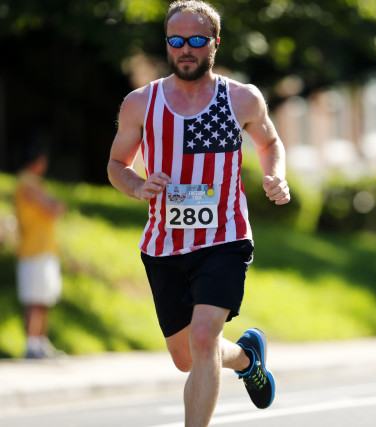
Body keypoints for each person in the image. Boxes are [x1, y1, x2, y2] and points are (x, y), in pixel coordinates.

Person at [107, 1, 290, 425]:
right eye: (176, 40)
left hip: (224, 237)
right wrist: (137, 185)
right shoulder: (141, 102)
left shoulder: (242, 98)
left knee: (205, 338)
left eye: (195, 40)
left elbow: (270, 142)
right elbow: (117, 164)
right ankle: (246, 358)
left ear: (214, 43)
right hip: (163, 242)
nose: (185, 49)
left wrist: (275, 176)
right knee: (187, 357)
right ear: (167, 45)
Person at [14, 140, 66, 359]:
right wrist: (54, 204)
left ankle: (40, 342)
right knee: (35, 299)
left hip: (43, 250)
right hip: (34, 250)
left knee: (43, 299)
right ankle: (32, 344)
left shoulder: (33, 183)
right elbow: (53, 207)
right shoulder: (27, 182)